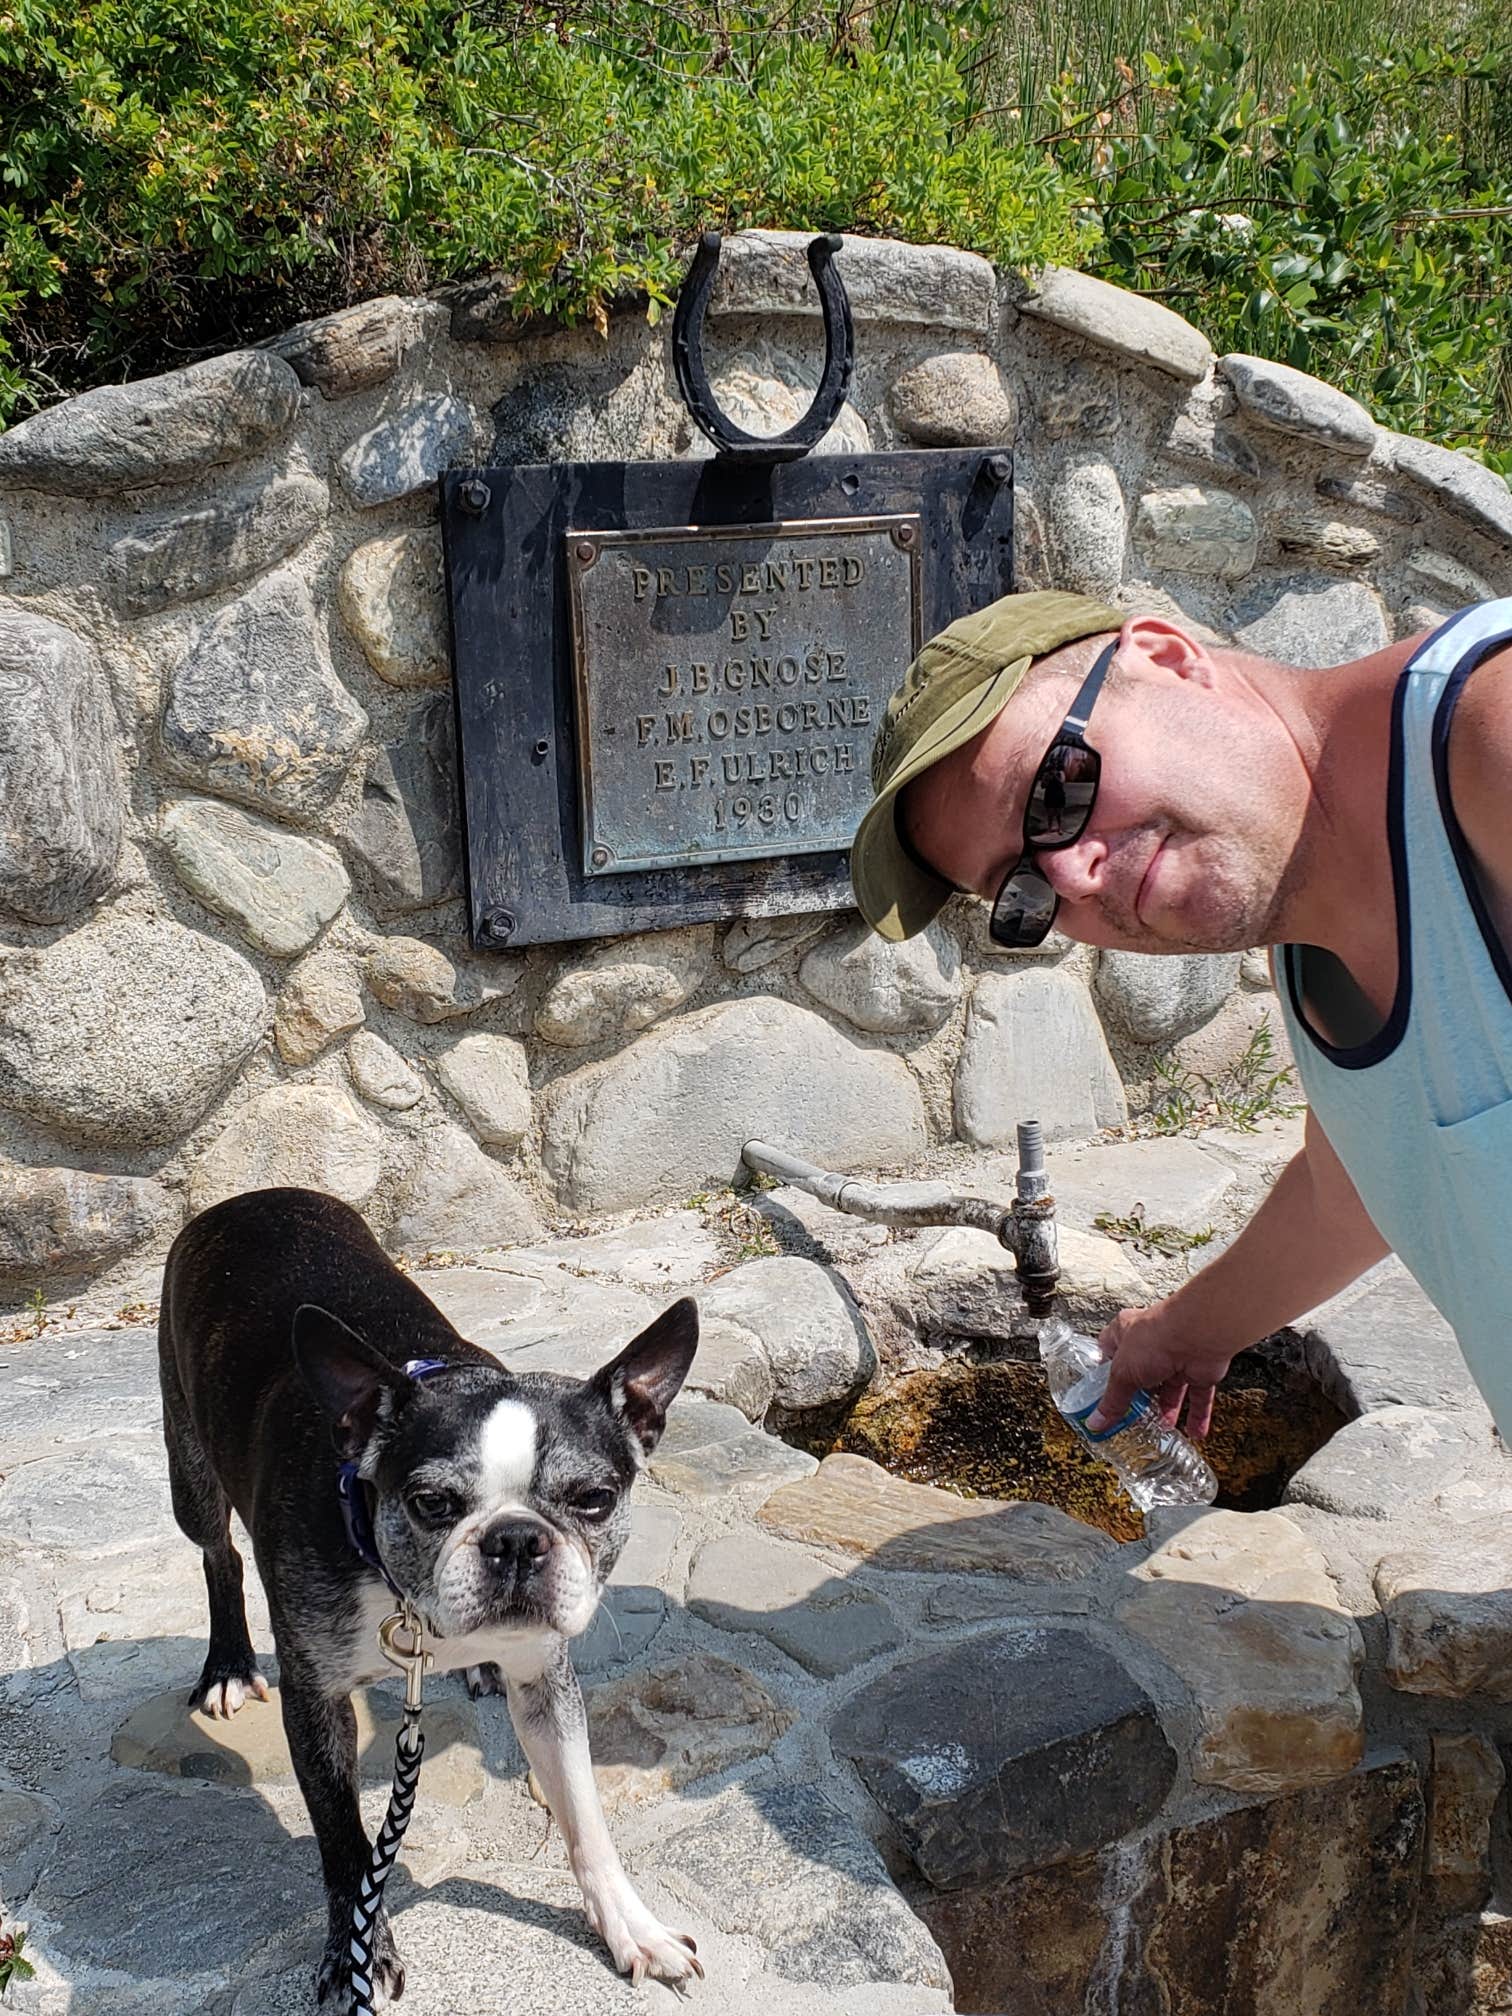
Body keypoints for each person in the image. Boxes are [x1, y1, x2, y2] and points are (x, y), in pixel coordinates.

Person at [850, 589, 1512, 1444]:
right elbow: (1357, 1182)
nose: (1075, 877)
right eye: (1022, 889)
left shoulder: (1484, 743)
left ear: (1167, 655)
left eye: (1054, 794)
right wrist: (1187, 1334)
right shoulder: (1311, 931)